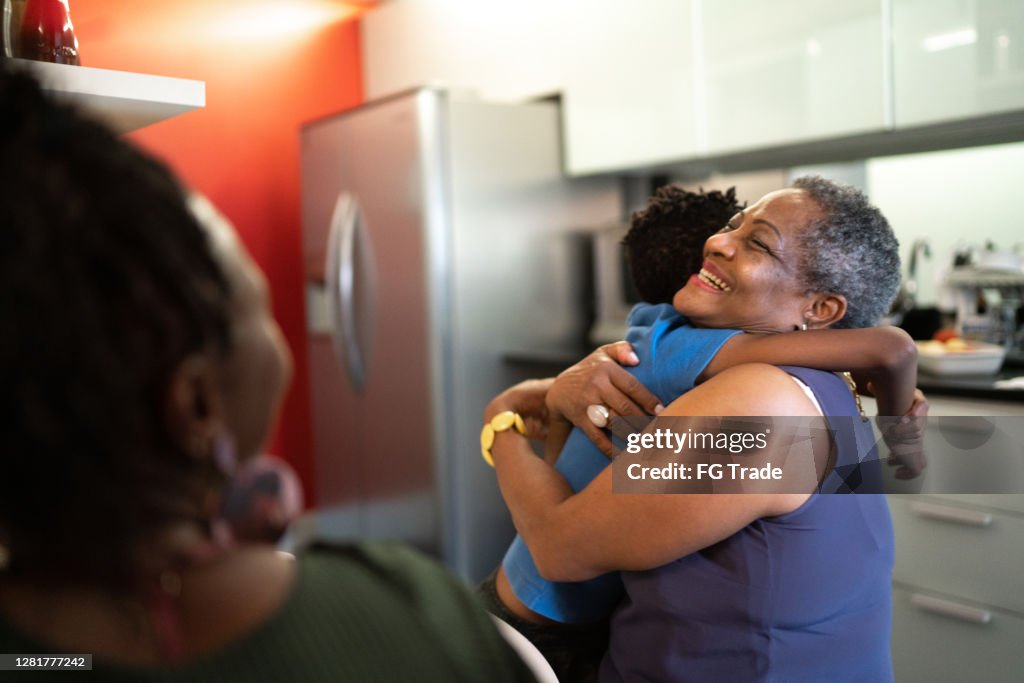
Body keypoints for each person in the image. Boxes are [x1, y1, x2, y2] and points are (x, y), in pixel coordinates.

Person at [0, 66, 534, 681]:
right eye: (262, 302)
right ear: (196, 405)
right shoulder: (398, 615)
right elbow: (578, 539)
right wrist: (508, 427)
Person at [485, 176, 916, 681]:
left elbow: (560, 551)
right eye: (733, 225)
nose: (716, 240)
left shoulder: (761, 406)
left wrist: (501, 424)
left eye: (758, 243)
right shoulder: (823, 384)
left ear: (820, 310)